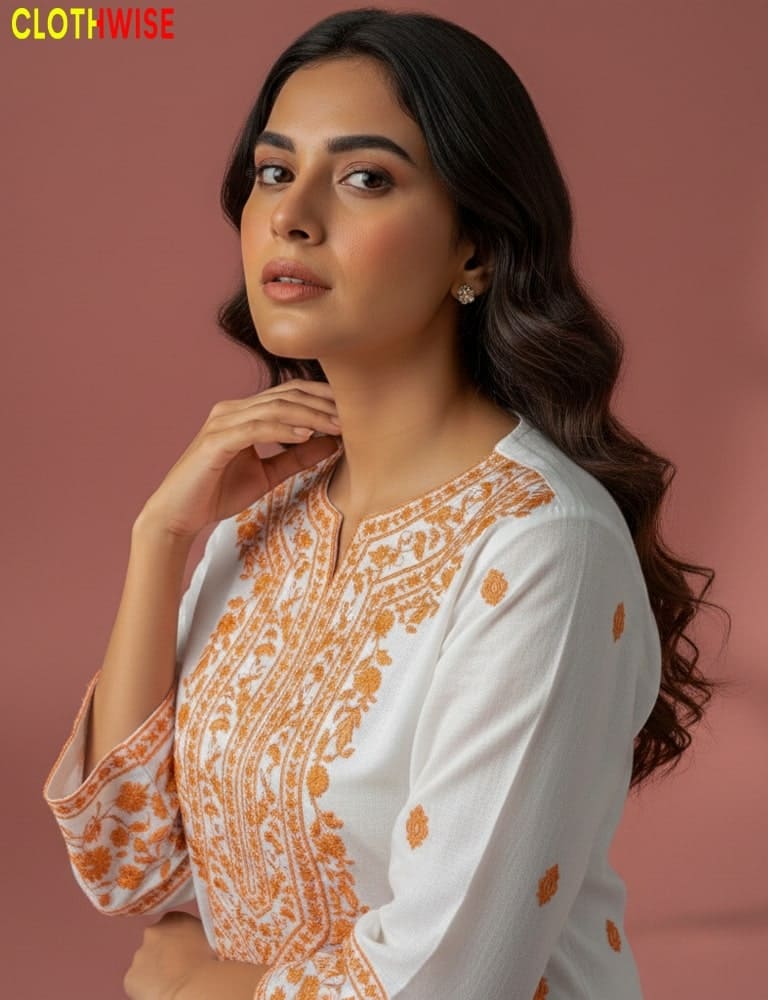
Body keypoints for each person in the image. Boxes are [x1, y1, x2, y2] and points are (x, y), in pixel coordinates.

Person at [42, 8, 726, 1000]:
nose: (293, 214)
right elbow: (127, 866)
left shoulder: (542, 548)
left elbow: (455, 980)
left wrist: (204, 988)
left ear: (477, 253)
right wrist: (161, 537)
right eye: (274, 173)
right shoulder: (258, 523)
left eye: (365, 177)